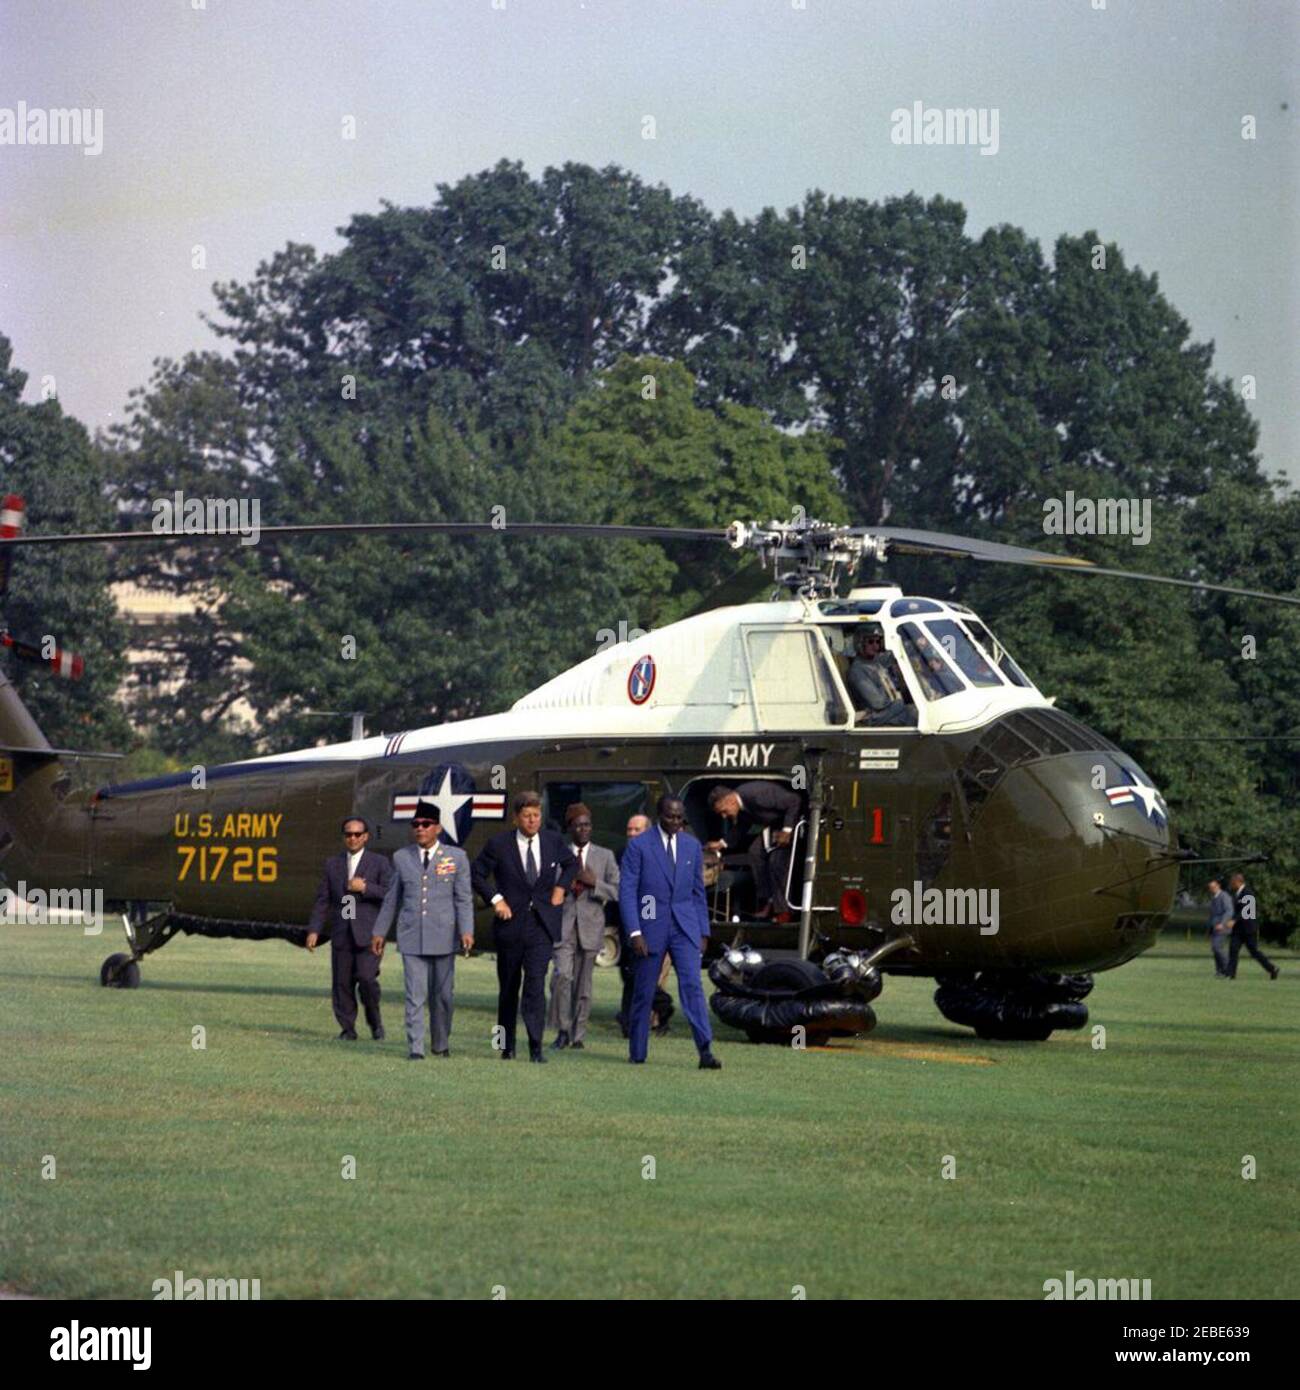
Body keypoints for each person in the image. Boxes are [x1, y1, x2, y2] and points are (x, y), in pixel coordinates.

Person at [472, 791, 577, 1062]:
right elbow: (477, 873)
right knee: (508, 988)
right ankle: (505, 1047)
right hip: (510, 926)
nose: (532, 821)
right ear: (516, 818)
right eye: (527, 816)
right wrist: (496, 899)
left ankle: (536, 1047)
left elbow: (571, 864)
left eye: (537, 815)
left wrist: (561, 887)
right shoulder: (499, 844)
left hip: (541, 925)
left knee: (535, 984)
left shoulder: (553, 841)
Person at [619, 795, 720, 1069]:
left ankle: (705, 1051)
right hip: (651, 924)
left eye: (679, 817)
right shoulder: (639, 846)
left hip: (685, 927)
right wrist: (635, 932)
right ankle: (637, 1051)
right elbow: (627, 891)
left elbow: (698, 892)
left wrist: (703, 930)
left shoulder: (691, 846)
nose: (675, 821)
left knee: (693, 987)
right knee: (644, 990)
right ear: (658, 815)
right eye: (670, 816)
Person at [372, 801, 473, 1059]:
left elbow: (463, 898)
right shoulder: (401, 857)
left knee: (443, 997)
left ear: (438, 828)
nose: (420, 829)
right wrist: (380, 931)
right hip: (412, 935)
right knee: (414, 995)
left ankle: (440, 1043)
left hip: (443, 934)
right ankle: (415, 1048)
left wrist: (466, 930)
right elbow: (392, 898)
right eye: (416, 824)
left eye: (425, 824)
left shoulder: (456, 857)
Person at [306, 816, 394, 1041]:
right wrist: (314, 930)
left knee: (366, 978)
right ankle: (348, 1029)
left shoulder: (379, 863)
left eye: (357, 834)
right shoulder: (332, 864)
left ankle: (375, 1023)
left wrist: (365, 887)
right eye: (348, 834)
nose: (353, 838)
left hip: (369, 934)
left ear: (365, 836)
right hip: (342, 933)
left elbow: (390, 893)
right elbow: (323, 900)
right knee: (342, 983)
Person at [549, 803, 620, 1050]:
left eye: (587, 824)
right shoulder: (559, 853)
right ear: (569, 828)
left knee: (584, 985)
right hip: (563, 925)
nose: (583, 829)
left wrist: (595, 883)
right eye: (578, 825)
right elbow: (547, 886)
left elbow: (618, 890)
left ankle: (578, 1035)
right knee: (562, 976)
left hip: (591, 926)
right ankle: (562, 1030)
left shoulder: (605, 856)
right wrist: (562, 886)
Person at [706, 781, 804, 920]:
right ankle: (768, 903)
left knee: (776, 861)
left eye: (723, 811)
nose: (723, 816)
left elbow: (795, 800)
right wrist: (722, 843)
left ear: (730, 800)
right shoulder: (741, 805)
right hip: (775, 825)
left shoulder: (757, 795)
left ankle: (784, 911)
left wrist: (787, 830)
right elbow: (742, 826)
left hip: (791, 822)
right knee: (755, 853)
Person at [615, 813, 675, 1038]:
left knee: (639, 974)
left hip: (647, 923)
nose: (631, 834)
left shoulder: (657, 856)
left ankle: (659, 1008)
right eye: (629, 830)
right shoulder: (622, 854)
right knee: (629, 974)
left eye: (636, 830)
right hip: (625, 924)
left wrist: (647, 925)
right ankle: (631, 1020)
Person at [845, 625, 916, 727]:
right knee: (916, 714)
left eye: (877, 642)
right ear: (860, 643)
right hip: (877, 717)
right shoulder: (858, 671)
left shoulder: (875, 663)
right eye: (870, 642)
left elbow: (892, 656)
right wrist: (901, 701)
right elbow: (878, 703)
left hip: (891, 710)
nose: (876, 646)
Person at [1226, 872, 1280, 980]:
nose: (1230, 884)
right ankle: (1230, 974)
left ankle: (1272, 969)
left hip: (1248, 929)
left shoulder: (1248, 893)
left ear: (1237, 881)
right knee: (1233, 949)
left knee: (1254, 952)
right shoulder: (1238, 893)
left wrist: (1234, 920)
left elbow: (1246, 911)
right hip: (1238, 929)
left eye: (1232, 882)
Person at [1206, 878, 1234, 978]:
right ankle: (1220, 971)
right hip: (1215, 927)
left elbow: (1229, 911)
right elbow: (1212, 915)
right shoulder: (1214, 897)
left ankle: (1228, 969)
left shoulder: (1224, 896)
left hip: (1222, 927)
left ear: (1218, 886)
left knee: (1217, 948)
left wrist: (1222, 923)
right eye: (1210, 888)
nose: (1211, 889)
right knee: (1215, 949)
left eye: (1213, 887)